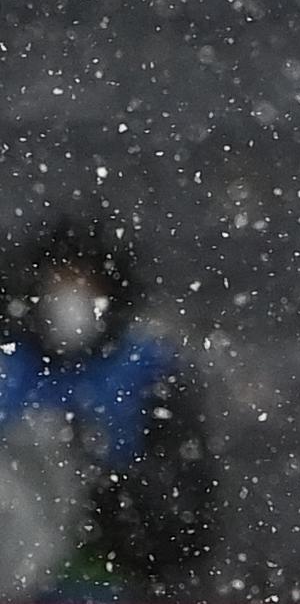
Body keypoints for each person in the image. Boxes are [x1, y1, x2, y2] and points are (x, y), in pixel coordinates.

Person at [0, 217, 212, 601]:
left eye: (84, 284)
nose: (70, 297)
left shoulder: (149, 373)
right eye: (59, 282)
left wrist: (106, 491)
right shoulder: (9, 368)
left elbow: (184, 519)